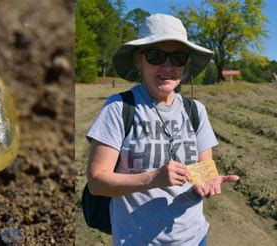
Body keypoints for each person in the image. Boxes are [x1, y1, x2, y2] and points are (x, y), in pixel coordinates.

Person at [86, 13, 240, 245]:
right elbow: (97, 182)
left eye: (177, 57)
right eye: (155, 56)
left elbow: (203, 168)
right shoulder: (119, 108)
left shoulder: (195, 110)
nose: (167, 66)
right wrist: (153, 178)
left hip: (195, 238)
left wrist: (206, 181)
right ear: (139, 60)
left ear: (185, 64)